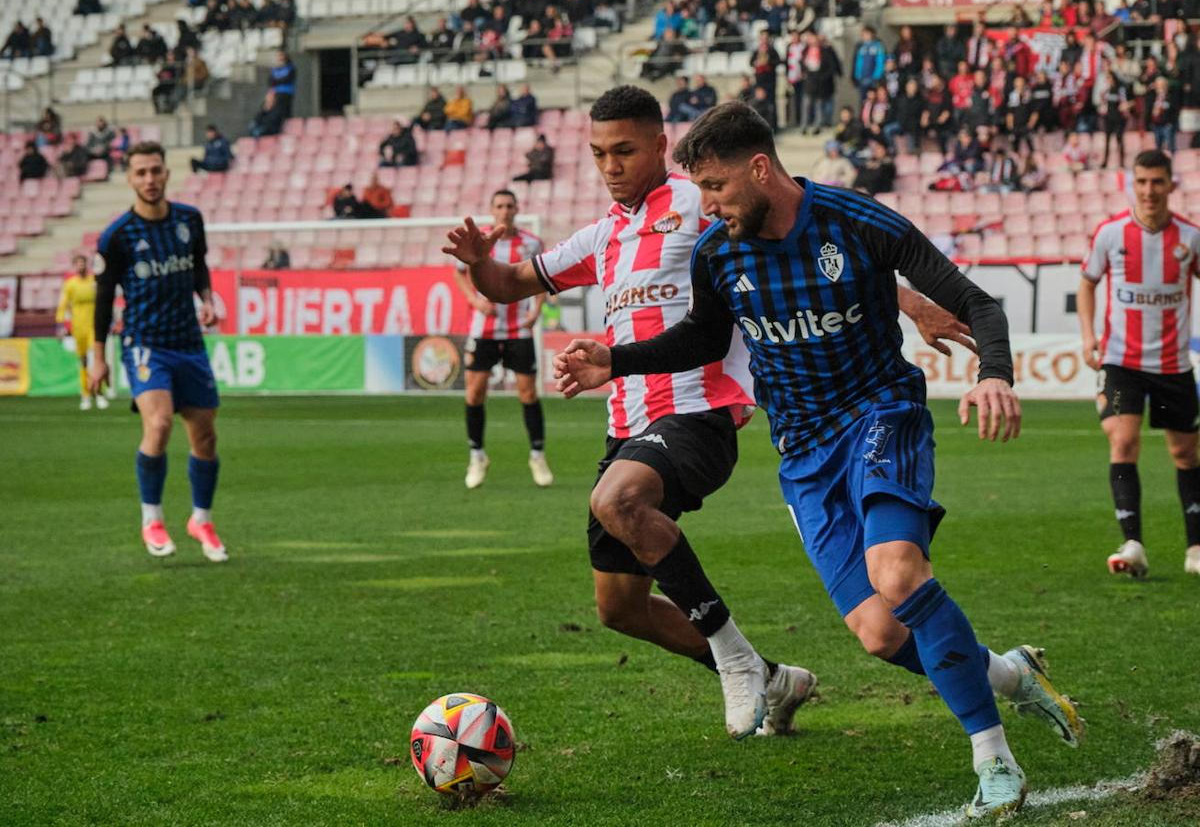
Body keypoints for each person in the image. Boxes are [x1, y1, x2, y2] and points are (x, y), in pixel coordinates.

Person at [552, 101, 1086, 816]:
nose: (704, 205)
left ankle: (994, 759)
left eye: (714, 186)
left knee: (897, 571)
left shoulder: (856, 221)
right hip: (803, 452)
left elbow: (976, 302)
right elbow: (705, 340)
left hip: (879, 416)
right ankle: (1010, 676)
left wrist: (995, 373)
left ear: (760, 169)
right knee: (878, 633)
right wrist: (616, 360)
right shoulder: (719, 251)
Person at [444, 86, 820, 742]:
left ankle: (733, 659)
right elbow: (509, 284)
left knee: (615, 501)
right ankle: (774, 676)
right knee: (619, 608)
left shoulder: (699, 205)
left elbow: (797, 246)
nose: (610, 165)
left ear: (658, 144)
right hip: (630, 428)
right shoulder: (604, 235)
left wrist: (904, 300)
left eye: (623, 150)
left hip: (702, 411)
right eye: (597, 154)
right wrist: (481, 264)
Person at [89, 141, 228, 563]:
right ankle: (152, 517)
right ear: (130, 179)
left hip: (188, 341)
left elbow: (198, 265)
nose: (149, 179)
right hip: (144, 342)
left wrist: (206, 297)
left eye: (155, 171)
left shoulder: (190, 220)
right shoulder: (116, 237)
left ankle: (200, 519)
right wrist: (98, 356)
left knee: (204, 434)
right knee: (160, 422)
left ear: (166, 173)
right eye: (141, 173)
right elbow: (102, 298)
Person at [1078, 150, 1200, 579]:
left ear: (1170, 184)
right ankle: (1133, 544)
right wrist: (1089, 335)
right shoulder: (1111, 234)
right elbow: (1088, 283)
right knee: (1123, 441)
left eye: (1157, 182)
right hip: (1120, 362)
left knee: (1185, 453)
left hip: (1171, 365)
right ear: (1134, 184)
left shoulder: (1190, 238)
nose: (1149, 191)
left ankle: (1196, 548)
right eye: (1142, 182)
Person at [450, 190, 553, 490]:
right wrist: (474, 300)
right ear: (491, 210)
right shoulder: (479, 240)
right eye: (499, 206)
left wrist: (537, 308)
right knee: (474, 394)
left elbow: (541, 277)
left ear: (517, 209)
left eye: (509, 206)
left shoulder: (531, 242)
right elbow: (458, 272)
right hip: (484, 329)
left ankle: (537, 455)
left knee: (528, 393)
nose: (505, 211)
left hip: (518, 329)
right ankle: (477, 456)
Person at [57, 255, 109, 411]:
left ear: (86, 265)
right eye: (78, 264)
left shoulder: (94, 281)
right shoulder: (70, 284)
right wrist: (61, 325)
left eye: (83, 263)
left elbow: (103, 300)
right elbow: (63, 306)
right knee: (83, 362)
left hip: (94, 326)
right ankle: (85, 395)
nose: (81, 266)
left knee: (96, 359)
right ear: (74, 266)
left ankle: (99, 393)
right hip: (78, 327)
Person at [268, 50, 296, 118]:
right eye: (278, 56)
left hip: (286, 93)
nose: (280, 58)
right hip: (276, 93)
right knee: (275, 111)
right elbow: (270, 81)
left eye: (281, 56)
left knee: (286, 112)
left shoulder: (290, 67)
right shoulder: (274, 69)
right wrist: (279, 81)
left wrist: (277, 81)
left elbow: (288, 79)